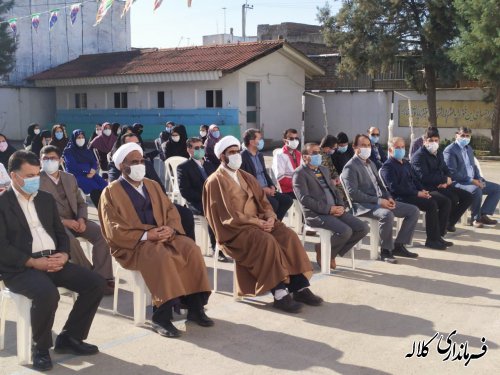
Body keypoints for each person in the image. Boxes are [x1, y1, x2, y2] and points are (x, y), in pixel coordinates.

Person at [0, 150, 105, 371]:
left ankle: (70, 338)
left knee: (95, 283)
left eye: (36, 174)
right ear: (13, 176)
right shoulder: (3, 203)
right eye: (28, 176)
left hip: (54, 260)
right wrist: (32, 262)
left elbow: (60, 234)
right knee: (47, 293)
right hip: (20, 268)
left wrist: (64, 254)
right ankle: (40, 348)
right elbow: (2, 247)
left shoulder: (45, 199)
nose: (34, 180)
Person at [99, 143, 213, 338]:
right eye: (133, 162)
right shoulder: (110, 192)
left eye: (141, 161)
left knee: (190, 248)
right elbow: (113, 228)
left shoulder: (151, 185)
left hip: (163, 236)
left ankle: (195, 307)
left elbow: (170, 210)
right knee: (160, 255)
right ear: (121, 166)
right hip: (133, 245)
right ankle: (161, 316)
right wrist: (146, 235)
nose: (139, 165)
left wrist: (170, 228)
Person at [203, 136, 323, 313]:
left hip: (259, 222)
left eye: (237, 151)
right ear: (222, 156)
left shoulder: (246, 176)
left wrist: (270, 218)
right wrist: (257, 223)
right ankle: (280, 293)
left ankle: (299, 287)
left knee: (287, 235)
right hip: (236, 230)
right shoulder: (215, 182)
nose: (236, 155)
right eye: (231, 153)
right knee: (267, 241)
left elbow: (263, 201)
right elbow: (227, 215)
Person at [39, 145, 114, 292]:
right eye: (45, 159)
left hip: (76, 220)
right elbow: (40, 211)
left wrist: (81, 219)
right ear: (40, 161)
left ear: (60, 159)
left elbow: (81, 202)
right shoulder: (36, 180)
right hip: (54, 224)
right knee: (69, 241)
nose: (49, 161)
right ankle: (89, 276)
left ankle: (103, 276)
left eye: (53, 158)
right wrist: (65, 222)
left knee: (102, 234)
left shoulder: (69, 177)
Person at [341, 134, 420, 263]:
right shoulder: (350, 167)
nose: (367, 148)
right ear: (355, 147)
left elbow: (380, 184)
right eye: (363, 145)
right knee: (386, 214)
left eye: (368, 145)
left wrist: (388, 197)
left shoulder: (370, 163)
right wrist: (379, 201)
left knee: (413, 211)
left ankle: (399, 245)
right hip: (363, 205)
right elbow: (353, 194)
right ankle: (386, 251)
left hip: (380, 201)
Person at [108, 133, 196, 241]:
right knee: (163, 254)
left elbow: (161, 189)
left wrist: (171, 228)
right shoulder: (113, 186)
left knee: (190, 244)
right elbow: (113, 224)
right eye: (130, 145)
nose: (139, 164)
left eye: (137, 144)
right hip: (136, 228)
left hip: (157, 210)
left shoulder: (149, 175)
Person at [293, 143, 369, 269]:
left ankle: (327, 252)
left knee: (363, 228)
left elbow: (335, 190)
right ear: (305, 157)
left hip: (335, 210)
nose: (319, 155)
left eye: (319, 152)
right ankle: (327, 253)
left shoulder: (324, 170)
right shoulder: (300, 174)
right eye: (314, 153)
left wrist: (340, 205)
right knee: (346, 231)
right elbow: (305, 199)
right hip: (316, 214)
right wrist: (329, 209)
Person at [380, 137, 453, 250]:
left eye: (403, 147)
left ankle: (438, 236)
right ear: (390, 150)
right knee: (431, 204)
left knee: (444, 201)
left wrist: (422, 190)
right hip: (401, 197)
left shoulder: (405, 163)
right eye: (397, 147)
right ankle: (431, 240)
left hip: (413, 193)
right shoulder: (388, 167)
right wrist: (417, 193)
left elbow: (415, 180)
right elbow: (395, 188)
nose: (401, 150)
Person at [411, 128, 473, 232]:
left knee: (468, 197)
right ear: (425, 141)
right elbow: (424, 177)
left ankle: (449, 222)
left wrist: (446, 180)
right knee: (451, 199)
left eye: (436, 140)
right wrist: (444, 179)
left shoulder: (438, 153)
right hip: (427, 187)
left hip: (441, 185)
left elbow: (445, 169)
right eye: (431, 140)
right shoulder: (419, 156)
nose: (434, 143)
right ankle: (440, 229)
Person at [177, 138, 225, 261]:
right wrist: (205, 197)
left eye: (202, 147)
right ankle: (216, 248)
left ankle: (229, 243)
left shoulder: (209, 165)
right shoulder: (183, 167)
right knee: (213, 212)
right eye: (196, 148)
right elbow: (185, 191)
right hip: (196, 202)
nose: (200, 150)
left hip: (213, 199)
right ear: (189, 150)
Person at [444, 126, 500, 228]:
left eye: (467, 136)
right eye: (462, 135)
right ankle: (475, 219)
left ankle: (484, 214)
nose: (465, 138)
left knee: (496, 189)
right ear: (457, 135)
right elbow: (453, 173)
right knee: (476, 190)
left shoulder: (468, 148)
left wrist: (480, 179)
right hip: (458, 182)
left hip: (473, 181)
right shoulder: (450, 150)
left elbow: (473, 167)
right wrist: (472, 181)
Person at [241, 129, 293, 221]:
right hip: (256, 191)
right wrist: (263, 190)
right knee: (274, 203)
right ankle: (269, 225)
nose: (262, 141)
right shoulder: (243, 157)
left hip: (267, 189)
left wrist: (272, 186)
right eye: (259, 139)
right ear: (252, 142)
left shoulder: (259, 155)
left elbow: (264, 172)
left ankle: (275, 223)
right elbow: (245, 180)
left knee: (287, 200)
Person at [63, 130, 108, 208]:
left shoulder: (86, 151)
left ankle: (108, 208)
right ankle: (102, 210)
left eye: (82, 137)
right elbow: (72, 167)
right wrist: (88, 169)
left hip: (91, 174)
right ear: (74, 139)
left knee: (104, 185)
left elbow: (94, 162)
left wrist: (93, 170)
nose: (81, 139)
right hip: (75, 176)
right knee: (94, 188)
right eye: (78, 137)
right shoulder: (68, 151)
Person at [272, 128, 302, 198]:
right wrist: (298, 184)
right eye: (291, 139)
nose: (294, 141)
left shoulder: (298, 154)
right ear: (285, 140)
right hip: (287, 190)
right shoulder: (280, 155)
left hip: (299, 187)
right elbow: (280, 177)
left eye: (296, 138)